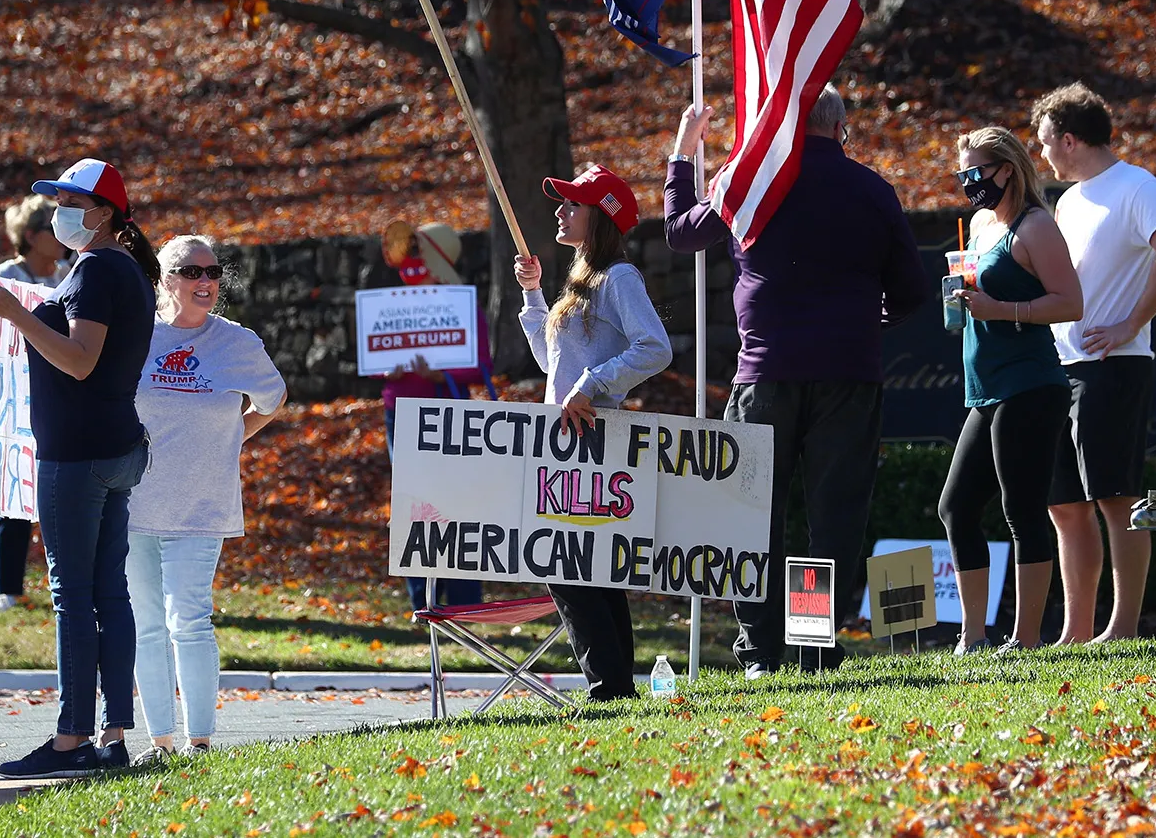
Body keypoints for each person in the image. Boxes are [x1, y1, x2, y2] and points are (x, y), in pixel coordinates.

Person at [663, 87, 926, 678]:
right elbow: (911, 291)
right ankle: (813, 647)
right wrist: (868, 316)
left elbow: (681, 233)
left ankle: (760, 650)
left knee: (752, 511)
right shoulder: (872, 190)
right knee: (830, 517)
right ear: (841, 129)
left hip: (766, 372)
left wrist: (683, 152)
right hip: (848, 374)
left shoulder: (751, 183)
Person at [0, 158, 158, 777]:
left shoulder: (94, 271)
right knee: (109, 593)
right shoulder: (124, 269)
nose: (59, 211)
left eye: (69, 200)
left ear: (103, 212)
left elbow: (80, 361)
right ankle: (111, 735)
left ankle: (71, 739)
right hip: (111, 450)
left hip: (78, 458)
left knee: (73, 597)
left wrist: (17, 314)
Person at [1032, 83, 1156, 643]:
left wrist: (1131, 322)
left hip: (1114, 364)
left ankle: (1122, 628)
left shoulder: (1136, 185)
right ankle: (1077, 632)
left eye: (1045, 142)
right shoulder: (1069, 200)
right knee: (1064, 506)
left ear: (1068, 138)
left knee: (1116, 498)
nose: (1043, 154)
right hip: (1060, 369)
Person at [126, 235, 286, 766]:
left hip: (202, 505)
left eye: (213, 272)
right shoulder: (133, 336)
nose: (205, 282)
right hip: (133, 504)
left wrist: (232, 437)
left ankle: (199, 742)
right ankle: (159, 742)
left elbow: (273, 399)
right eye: (191, 272)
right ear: (164, 280)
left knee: (189, 620)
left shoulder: (236, 342)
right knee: (145, 623)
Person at [515, 164, 672, 702]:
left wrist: (594, 384)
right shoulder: (582, 279)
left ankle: (608, 687)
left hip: (590, 435)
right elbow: (552, 364)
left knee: (567, 565)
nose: (560, 211)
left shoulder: (619, 278)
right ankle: (616, 686)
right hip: (567, 437)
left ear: (600, 216)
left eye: (572, 205)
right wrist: (535, 297)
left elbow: (655, 347)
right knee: (590, 567)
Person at [937, 127, 1082, 654]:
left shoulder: (1036, 227)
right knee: (955, 507)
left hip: (1030, 383)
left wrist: (1004, 311)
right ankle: (972, 637)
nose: (969, 184)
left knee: (1023, 509)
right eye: (963, 175)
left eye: (976, 173)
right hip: (986, 387)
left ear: (1008, 169)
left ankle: (1024, 639)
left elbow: (1070, 302)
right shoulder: (978, 225)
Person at [379, 221, 492, 611]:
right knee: (415, 508)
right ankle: (422, 603)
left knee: (457, 508)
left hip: (450, 413)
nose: (410, 260)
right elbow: (380, 350)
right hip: (403, 414)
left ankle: (463, 602)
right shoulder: (395, 303)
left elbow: (482, 368)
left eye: (419, 252)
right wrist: (386, 369)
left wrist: (440, 374)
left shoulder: (462, 306)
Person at [0, 194, 71, 615]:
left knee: (65, 498)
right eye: (54, 228)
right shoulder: (3, 278)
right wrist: (4, 395)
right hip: (18, 408)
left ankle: (66, 585)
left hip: (65, 405)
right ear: (31, 236)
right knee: (13, 496)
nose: (63, 236)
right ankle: (6, 589)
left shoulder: (72, 274)